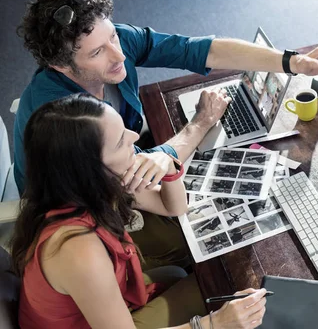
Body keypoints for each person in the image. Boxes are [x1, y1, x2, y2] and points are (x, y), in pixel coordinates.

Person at [13, 0, 318, 269]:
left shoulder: (112, 42)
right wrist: (199, 123)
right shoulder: (61, 114)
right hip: (89, 214)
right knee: (216, 245)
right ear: (60, 66)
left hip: (122, 166)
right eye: (96, 53)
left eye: (113, 39)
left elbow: (200, 50)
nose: (118, 55)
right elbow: (140, 172)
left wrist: (295, 62)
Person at [10, 94, 268, 329]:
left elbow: (174, 207)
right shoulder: (78, 250)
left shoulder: (86, 184)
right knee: (225, 288)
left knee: (214, 281)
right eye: (121, 140)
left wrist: (169, 166)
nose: (135, 137)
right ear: (93, 169)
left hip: (104, 307)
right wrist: (214, 324)